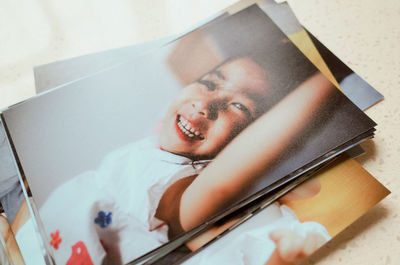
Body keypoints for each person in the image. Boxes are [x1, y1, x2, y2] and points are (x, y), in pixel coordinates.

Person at [15, 57, 333, 265]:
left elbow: (220, 190)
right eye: (209, 83)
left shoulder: (182, 188)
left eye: (238, 106)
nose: (205, 104)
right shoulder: (158, 143)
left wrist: (331, 75)